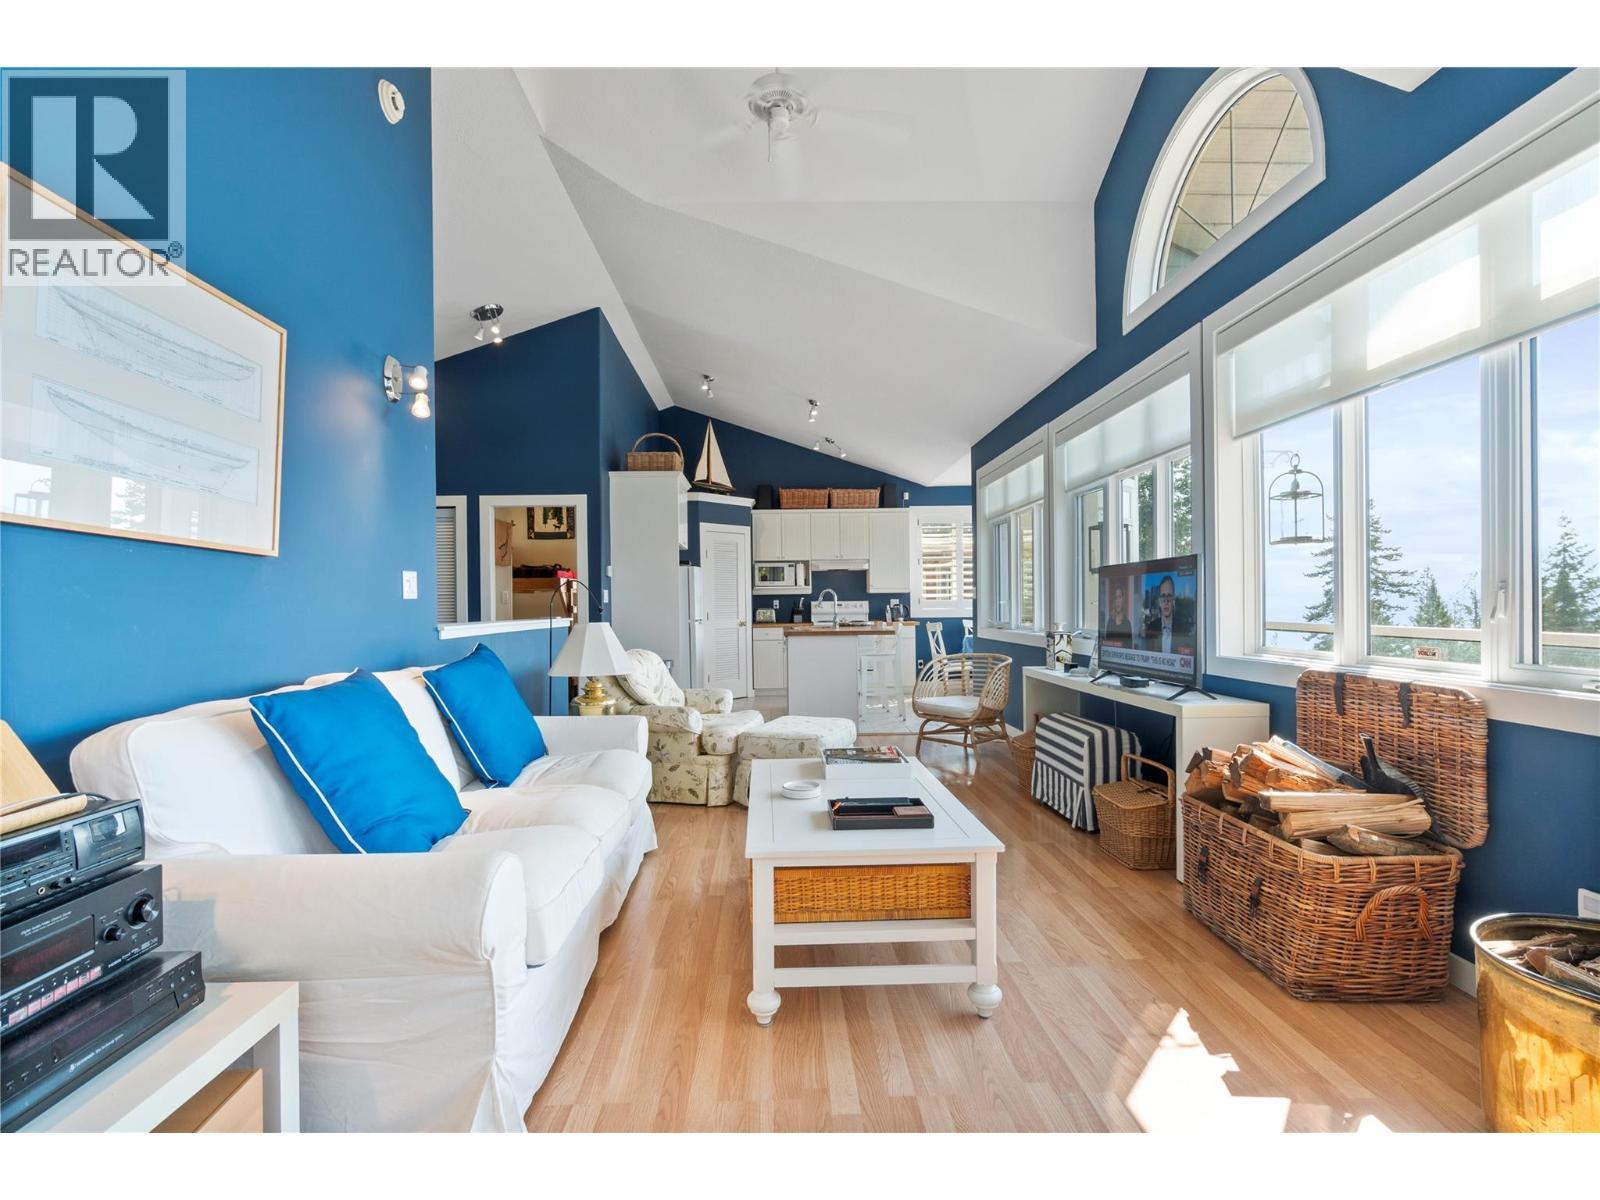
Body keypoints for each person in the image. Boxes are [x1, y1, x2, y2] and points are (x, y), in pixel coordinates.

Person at [1141, 574, 1194, 656]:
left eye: (1169, 596)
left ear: (1173, 600)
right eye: (1163, 596)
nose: (1166, 601)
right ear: (1159, 601)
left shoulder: (1184, 628)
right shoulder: (1151, 627)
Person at [1103, 581, 1134, 647]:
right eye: (1115, 597)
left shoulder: (1127, 623)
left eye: (1119, 597)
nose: (1117, 601)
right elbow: (1107, 645)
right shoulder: (1110, 621)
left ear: (1123, 599)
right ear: (1114, 601)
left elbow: (1129, 648)